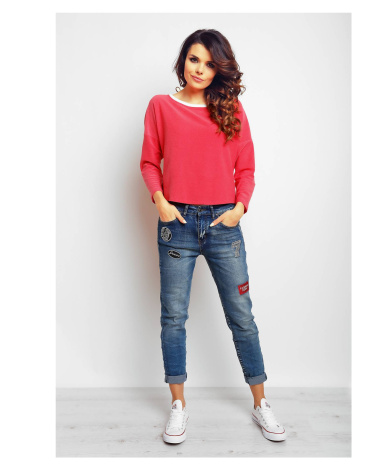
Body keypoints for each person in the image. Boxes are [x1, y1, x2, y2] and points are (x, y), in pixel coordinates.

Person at [139, 29, 287, 444]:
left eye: (208, 63)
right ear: (182, 61)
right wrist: (160, 201)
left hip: (224, 225)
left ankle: (261, 402)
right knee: (173, 317)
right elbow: (149, 161)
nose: (200, 69)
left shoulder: (230, 108)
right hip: (177, 224)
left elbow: (247, 167)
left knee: (241, 316)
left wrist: (240, 208)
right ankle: (178, 406)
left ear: (219, 68)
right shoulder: (160, 106)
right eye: (194, 59)